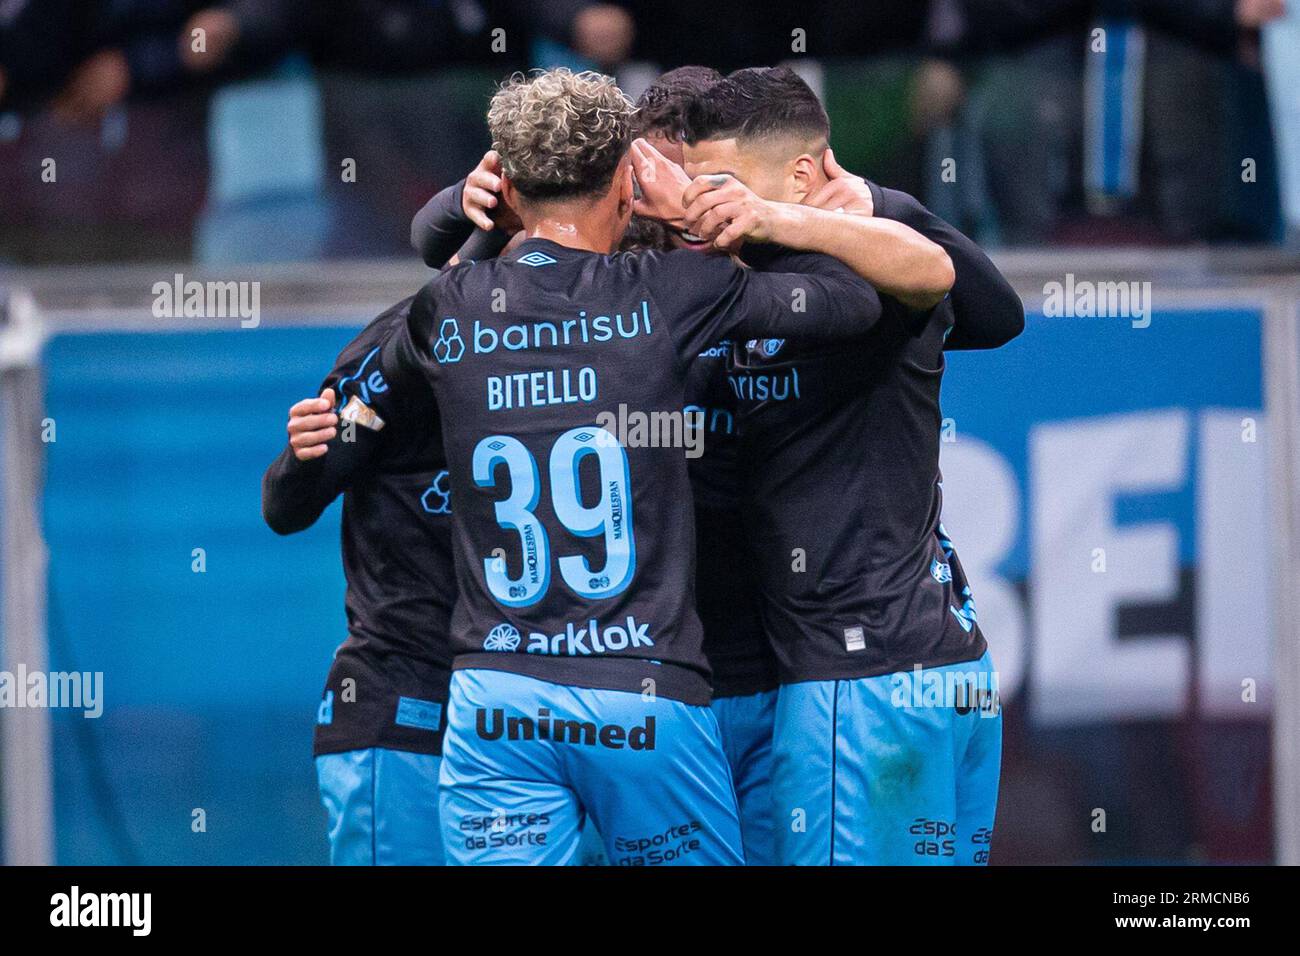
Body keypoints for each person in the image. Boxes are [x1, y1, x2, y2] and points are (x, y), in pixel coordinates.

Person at [359, 67, 913, 865]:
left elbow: (409, 316)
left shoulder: (449, 307)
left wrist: (466, 213)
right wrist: (716, 211)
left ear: (507, 184)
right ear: (627, 180)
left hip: (497, 693)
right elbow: (853, 304)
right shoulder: (673, 288)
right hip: (642, 691)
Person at [675, 65, 1024, 865]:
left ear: (803, 175)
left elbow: (956, 284)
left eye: (723, 184)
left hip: (861, 685)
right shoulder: (768, 281)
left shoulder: (874, 271)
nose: (707, 206)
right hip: (940, 673)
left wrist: (823, 211)